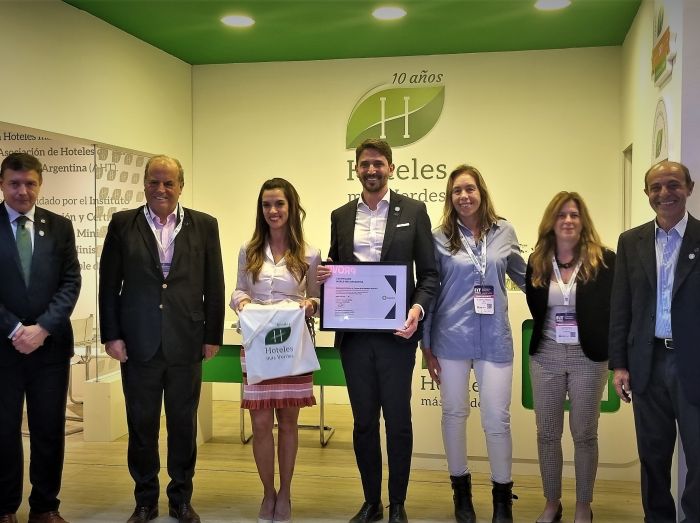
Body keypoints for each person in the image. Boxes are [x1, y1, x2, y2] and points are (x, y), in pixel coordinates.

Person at [317, 139, 438, 523]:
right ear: (356, 169)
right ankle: (372, 502)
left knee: (398, 422)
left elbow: (429, 274)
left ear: (390, 168)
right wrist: (326, 275)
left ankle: (397, 503)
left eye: (378, 163)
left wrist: (416, 310)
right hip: (354, 338)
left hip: (397, 337)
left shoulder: (414, 211)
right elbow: (337, 267)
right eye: (365, 164)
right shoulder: (340, 215)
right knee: (364, 422)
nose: (372, 170)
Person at [99, 155, 225, 523]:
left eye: (169, 183)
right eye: (154, 181)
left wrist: (212, 335)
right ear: (144, 184)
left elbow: (214, 284)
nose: (161, 189)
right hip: (139, 343)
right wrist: (112, 335)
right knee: (142, 426)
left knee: (183, 425)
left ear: (181, 186)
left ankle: (181, 498)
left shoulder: (204, 225)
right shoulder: (123, 224)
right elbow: (109, 284)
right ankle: (145, 500)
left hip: (187, 340)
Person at [421, 165, 525, 523]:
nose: (464, 196)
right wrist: (426, 345)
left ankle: (502, 500)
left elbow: (527, 277)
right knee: (454, 414)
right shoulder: (438, 237)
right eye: (456, 191)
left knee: (497, 420)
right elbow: (430, 291)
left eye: (469, 189)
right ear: (450, 198)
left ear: (481, 191)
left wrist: (569, 292)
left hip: (494, 338)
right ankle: (461, 493)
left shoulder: (505, 231)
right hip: (450, 338)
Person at [609, 160, 700, 523]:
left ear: (689, 188)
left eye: (673, 184)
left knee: (699, 456)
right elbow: (621, 306)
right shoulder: (631, 241)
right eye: (656, 187)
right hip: (646, 363)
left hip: (693, 364)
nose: (665, 193)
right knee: (652, 457)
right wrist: (619, 364)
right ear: (647, 193)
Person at [231, 178, 321, 523]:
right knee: (259, 422)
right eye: (267, 204)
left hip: (292, 345)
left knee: (288, 422)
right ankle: (267, 492)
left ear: (291, 207)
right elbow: (238, 290)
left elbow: (316, 297)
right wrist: (242, 302)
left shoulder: (309, 253)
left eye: (279, 204)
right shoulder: (249, 250)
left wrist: (310, 305)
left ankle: (285, 493)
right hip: (257, 344)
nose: (273, 210)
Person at [0, 152, 81, 523]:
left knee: (48, 428)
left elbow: (70, 281)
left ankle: (45, 506)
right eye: (15, 183)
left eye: (30, 183)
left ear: (40, 184)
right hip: (3, 347)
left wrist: (43, 327)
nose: (23, 191)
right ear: (3, 184)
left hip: (50, 348)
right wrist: (14, 329)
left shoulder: (59, 227)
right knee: (3, 430)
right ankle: (4, 507)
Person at [525, 192, 615, 523]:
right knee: (547, 434)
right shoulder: (537, 260)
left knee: (584, 435)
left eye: (574, 214)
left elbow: (614, 310)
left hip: (587, 357)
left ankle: (583, 505)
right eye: (561, 214)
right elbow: (535, 306)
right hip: (546, 355)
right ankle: (552, 503)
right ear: (551, 221)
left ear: (583, 220)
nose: (567, 220)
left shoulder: (604, 260)